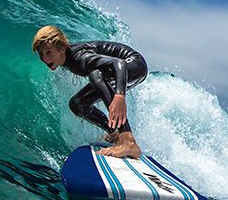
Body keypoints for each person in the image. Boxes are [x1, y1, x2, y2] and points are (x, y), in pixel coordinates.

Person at [32, 25, 148, 158]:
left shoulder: (80, 58)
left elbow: (118, 63)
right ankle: (114, 134)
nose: (44, 59)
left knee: (95, 75)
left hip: (133, 65)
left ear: (62, 48)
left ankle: (128, 141)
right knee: (77, 104)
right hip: (124, 70)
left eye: (48, 52)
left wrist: (119, 95)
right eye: (41, 54)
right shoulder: (66, 58)